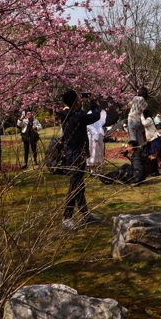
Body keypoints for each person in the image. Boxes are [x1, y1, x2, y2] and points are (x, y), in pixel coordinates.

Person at [58, 90, 103, 228]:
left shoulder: (67, 114)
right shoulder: (76, 117)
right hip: (77, 154)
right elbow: (95, 116)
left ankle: (85, 214)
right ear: (75, 102)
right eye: (78, 99)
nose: (80, 100)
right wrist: (94, 102)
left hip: (74, 153)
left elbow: (80, 113)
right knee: (75, 186)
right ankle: (67, 217)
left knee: (79, 185)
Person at [126, 88, 149, 185]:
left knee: (133, 141)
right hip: (140, 121)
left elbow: (128, 104)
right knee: (139, 143)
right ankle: (141, 158)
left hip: (132, 119)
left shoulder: (136, 98)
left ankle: (135, 162)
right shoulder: (145, 103)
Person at [86, 104, 106, 171]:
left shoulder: (100, 113)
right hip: (92, 135)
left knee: (100, 150)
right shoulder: (89, 113)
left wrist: (100, 132)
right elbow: (88, 125)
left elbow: (100, 124)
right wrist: (95, 133)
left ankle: (99, 165)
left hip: (99, 134)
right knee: (92, 150)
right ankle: (91, 168)